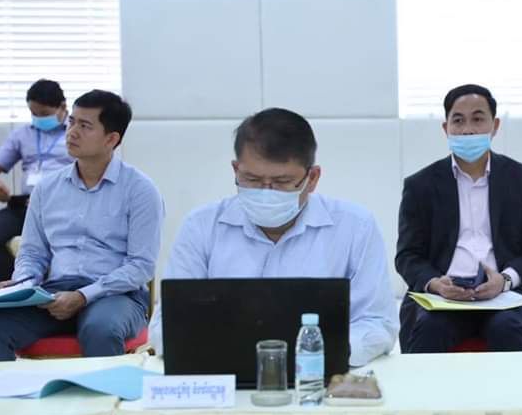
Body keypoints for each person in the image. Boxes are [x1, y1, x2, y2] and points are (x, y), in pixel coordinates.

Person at [149, 108, 397, 368]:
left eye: (281, 182)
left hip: (318, 375)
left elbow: (378, 323)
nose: (266, 192)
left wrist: (318, 352)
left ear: (312, 178)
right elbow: (165, 326)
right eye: (252, 179)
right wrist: (221, 348)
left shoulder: (355, 227)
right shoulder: (201, 226)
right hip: (220, 374)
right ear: (235, 169)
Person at [0, 90, 164, 361]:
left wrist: (82, 295)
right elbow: (32, 252)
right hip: (52, 294)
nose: (72, 132)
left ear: (111, 139)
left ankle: (102, 392)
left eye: (85, 126)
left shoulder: (140, 191)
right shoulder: (47, 188)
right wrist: (24, 284)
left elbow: (140, 266)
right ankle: (12, 390)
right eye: (72, 122)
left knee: (100, 330)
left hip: (116, 296)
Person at [396, 84, 522, 353]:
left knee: (507, 329)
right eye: (458, 121)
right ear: (446, 128)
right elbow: (407, 256)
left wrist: (505, 280)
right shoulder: (420, 185)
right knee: (430, 330)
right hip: (444, 298)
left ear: (495, 125)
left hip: (505, 296)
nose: (468, 130)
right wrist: (435, 284)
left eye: (478, 119)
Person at [0, 79, 76, 285]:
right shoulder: (22, 134)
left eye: (44, 113)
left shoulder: (76, 134)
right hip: (25, 206)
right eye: (34, 113)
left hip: (64, 207)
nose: (39, 118)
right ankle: (17, 288)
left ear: (62, 107)